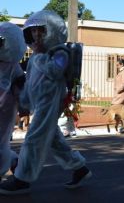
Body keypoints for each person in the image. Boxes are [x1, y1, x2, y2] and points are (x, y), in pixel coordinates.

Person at [0, 10, 91, 195]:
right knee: (54, 140)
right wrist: (24, 100)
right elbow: (31, 83)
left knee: (33, 139)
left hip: (49, 105)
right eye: (33, 32)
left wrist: (40, 57)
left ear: (51, 31)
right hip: (39, 104)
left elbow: (55, 71)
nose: (36, 36)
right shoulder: (35, 57)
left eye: (40, 31)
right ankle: (80, 169)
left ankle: (22, 179)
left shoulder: (60, 52)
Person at [0, 22, 27, 183]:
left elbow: (20, 86)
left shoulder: (13, 66)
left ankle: (3, 168)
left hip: (6, 108)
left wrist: (23, 106)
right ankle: (13, 161)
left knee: (1, 140)